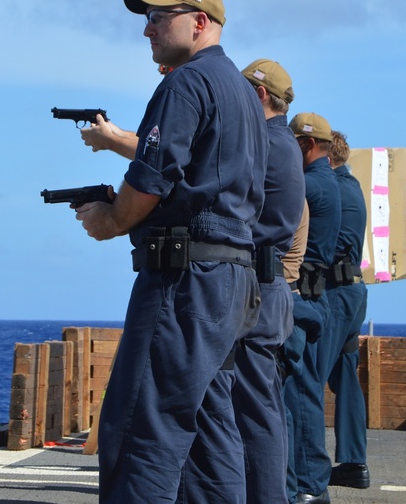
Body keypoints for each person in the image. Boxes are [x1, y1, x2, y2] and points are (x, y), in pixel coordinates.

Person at [75, 0, 268, 504]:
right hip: (230, 280)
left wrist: (111, 220)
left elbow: (153, 176)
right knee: (209, 431)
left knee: (141, 427)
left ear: (199, 22)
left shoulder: (185, 82)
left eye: (158, 18)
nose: (147, 30)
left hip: (184, 280)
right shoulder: (245, 95)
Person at [79, 59, 306, 504]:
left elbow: (170, 163)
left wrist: (119, 212)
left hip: (210, 278)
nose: (149, 30)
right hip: (244, 281)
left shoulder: (252, 128)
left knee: (152, 426)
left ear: (259, 94)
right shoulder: (278, 142)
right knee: (220, 421)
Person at [283, 112, 341, 504]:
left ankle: (307, 485)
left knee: (298, 395)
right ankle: (311, 483)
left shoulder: (306, 185)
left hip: (299, 294)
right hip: (316, 295)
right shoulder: (332, 182)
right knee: (307, 393)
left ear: (304, 146)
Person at [323, 130, 370, 490]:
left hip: (335, 294)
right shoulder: (352, 185)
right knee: (346, 377)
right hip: (353, 291)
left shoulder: (330, 188)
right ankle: (354, 462)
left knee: (306, 378)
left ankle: (301, 466)